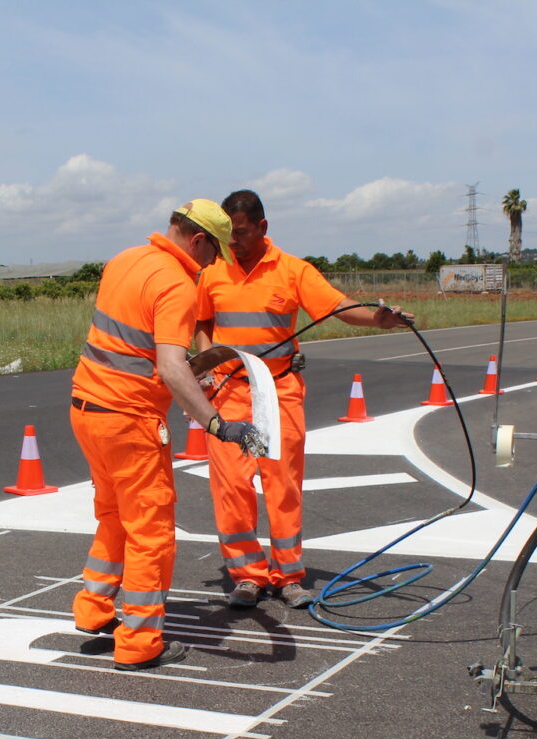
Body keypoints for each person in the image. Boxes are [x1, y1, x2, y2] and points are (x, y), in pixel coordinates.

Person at [71, 200, 265, 671]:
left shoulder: (123, 261)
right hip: (131, 421)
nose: (213, 265)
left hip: (86, 408)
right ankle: (139, 643)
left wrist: (181, 376)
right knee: (152, 533)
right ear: (197, 240)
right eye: (213, 254)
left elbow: (133, 348)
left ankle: (95, 610)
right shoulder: (176, 284)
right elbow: (170, 366)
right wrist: (217, 423)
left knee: (115, 516)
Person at [194, 189, 412, 609]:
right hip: (229, 394)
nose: (232, 242)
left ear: (262, 227)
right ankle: (247, 575)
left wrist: (380, 319)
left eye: (239, 233)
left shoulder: (292, 271)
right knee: (233, 488)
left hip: (276, 396)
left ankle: (288, 574)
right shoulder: (213, 271)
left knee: (282, 485)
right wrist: (204, 365)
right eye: (226, 234)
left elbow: (338, 307)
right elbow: (203, 321)